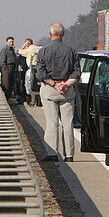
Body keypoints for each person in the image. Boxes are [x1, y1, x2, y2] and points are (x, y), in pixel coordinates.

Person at [34, 22, 81, 162]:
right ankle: (69, 154)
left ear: (50, 34)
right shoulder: (72, 51)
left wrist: (54, 84)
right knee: (68, 124)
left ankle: (52, 153)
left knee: (52, 123)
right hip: (67, 91)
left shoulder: (44, 51)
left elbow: (41, 73)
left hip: (50, 91)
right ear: (63, 34)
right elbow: (77, 72)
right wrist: (65, 85)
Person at [17, 38, 41, 104]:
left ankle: (30, 100)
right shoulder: (38, 48)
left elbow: (19, 52)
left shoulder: (29, 49)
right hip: (39, 68)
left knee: (28, 83)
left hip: (31, 68)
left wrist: (23, 46)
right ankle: (38, 101)